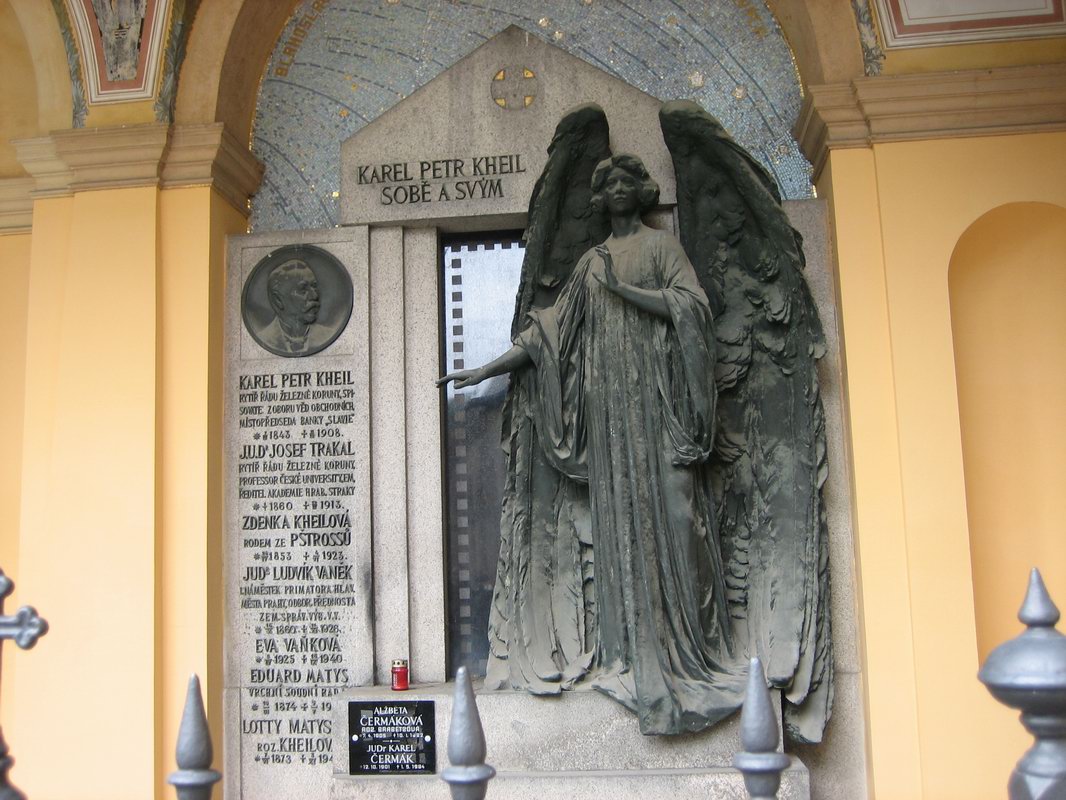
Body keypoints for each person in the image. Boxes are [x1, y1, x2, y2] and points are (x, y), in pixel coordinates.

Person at [439, 153, 743, 734]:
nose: (619, 189)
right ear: (600, 199)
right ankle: (627, 653)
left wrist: (625, 291)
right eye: (610, 184)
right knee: (620, 527)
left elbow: (693, 309)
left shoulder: (660, 248)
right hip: (610, 419)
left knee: (678, 519)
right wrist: (485, 370)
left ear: (642, 191)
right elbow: (548, 334)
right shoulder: (591, 263)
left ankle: (688, 653)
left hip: (657, 404)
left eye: (628, 181)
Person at [256, 259, 333, 355]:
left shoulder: (328, 335)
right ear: (278, 300)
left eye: (314, 286)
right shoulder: (264, 339)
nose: (314, 296)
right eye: (303, 290)